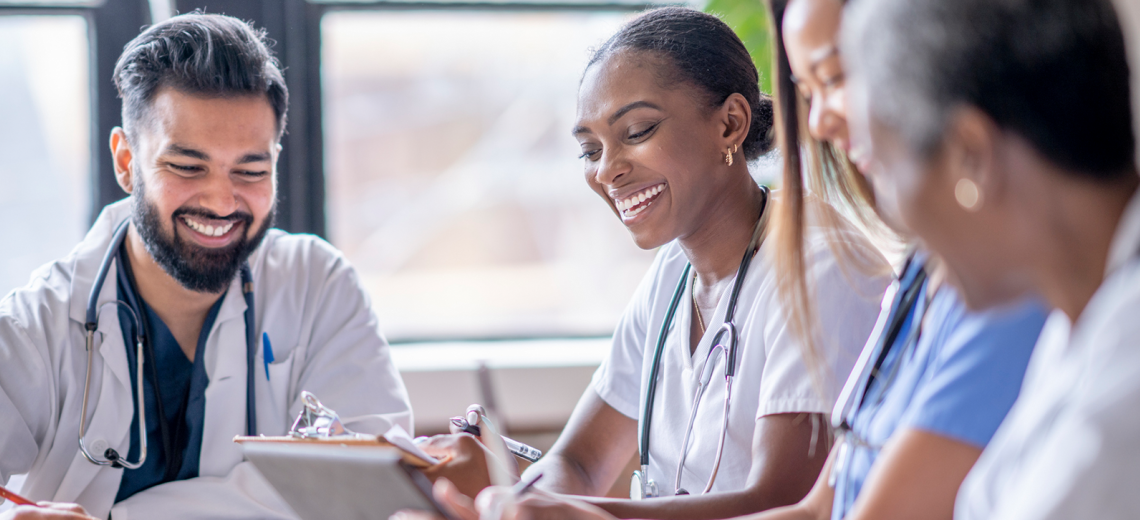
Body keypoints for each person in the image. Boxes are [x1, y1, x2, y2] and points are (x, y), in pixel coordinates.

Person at [407, 1, 1053, 519]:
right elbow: (580, 462)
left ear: (730, 125)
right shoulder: (672, 277)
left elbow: (784, 499)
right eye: (589, 149)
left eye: (636, 133)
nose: (609, 170)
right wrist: (522, 499)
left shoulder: (828, 268)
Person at [0, 13, 412, 520]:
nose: (221, 201)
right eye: (187, 167)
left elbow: (370, 487)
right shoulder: (33, 328)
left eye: (251, 170)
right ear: (126, 162)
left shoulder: (318, 286)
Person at [840, 0, 1140, 517]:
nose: (891, 210)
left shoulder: (1121, 398)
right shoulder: (1079, 314)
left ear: (970, 155)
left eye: (883, 168)